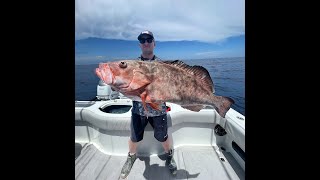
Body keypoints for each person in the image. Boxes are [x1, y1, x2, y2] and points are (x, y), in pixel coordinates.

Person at [120, 30, 177, 179]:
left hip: (159, 110)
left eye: (149, 39)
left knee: (163, 137)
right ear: (140, 44)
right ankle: (131, 157)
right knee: (134, 137)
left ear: (154, 43)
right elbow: (126, 86)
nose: (146, 42)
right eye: (142, 40)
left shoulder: (164, 66)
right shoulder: (131, 66)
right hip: (138, 110)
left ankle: (169, 156)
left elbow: (171, 87)